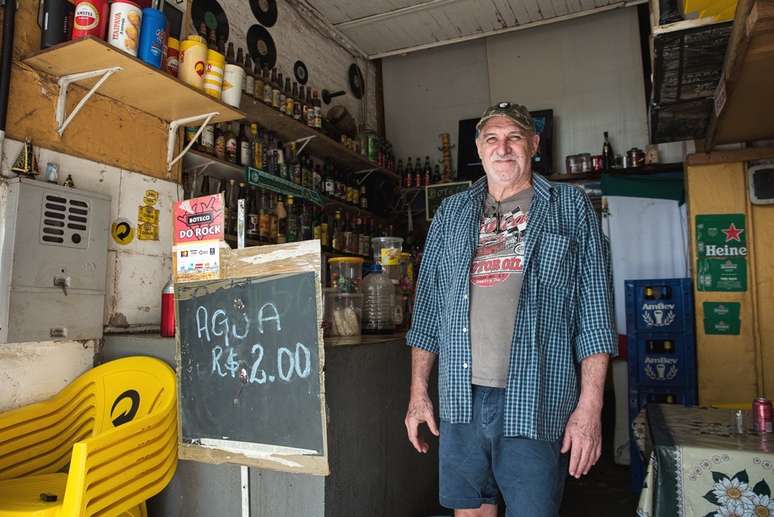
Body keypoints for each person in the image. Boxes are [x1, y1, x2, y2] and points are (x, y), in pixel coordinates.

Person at [404, 102, 617, 517]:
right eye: (492, 139)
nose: (503, 148)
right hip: (460, 397)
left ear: (534, 144)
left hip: (536, 394)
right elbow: (427, 312)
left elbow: (595, 314)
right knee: (470, 511)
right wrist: (418, 395)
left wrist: (590, 409)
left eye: (514, 137)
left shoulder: (569, 207)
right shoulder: (451, 214)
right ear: (479, 149)